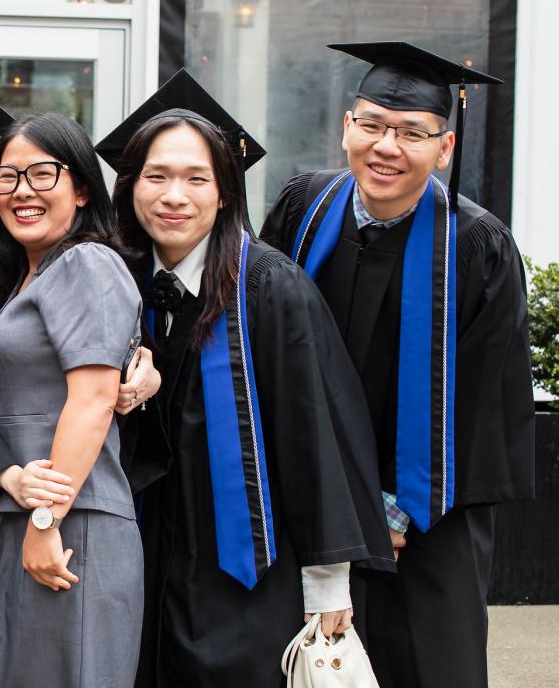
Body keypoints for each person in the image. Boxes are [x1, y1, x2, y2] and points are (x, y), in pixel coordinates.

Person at [96, 69, 393, 686]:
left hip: (247, 559)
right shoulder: (113, 278)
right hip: (140, 546)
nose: (174, 195)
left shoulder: (269, 287)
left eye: (196, 178)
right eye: (157, 176)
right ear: (130, 189)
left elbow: (314, 432)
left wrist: (328, 582)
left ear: (226, 193)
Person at [260, 42, 535, 688]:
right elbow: (260, 336)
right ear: (346, 128)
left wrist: (396, 508)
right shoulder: (305, 209)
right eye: (374, 125)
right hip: (313, 511)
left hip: (427, 521)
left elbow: (485, 398)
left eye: (412, 133)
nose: (387, 146)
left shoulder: (478, 247)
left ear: (444, 148)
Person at [0, 112, 144, 687]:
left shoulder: (86, 262)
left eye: (43, 174)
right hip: (29, 519)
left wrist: (47, 520)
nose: (22, 191)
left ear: (80, 190)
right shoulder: (24, 278)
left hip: (75, 526)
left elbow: (94, 399)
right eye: (7, 176)